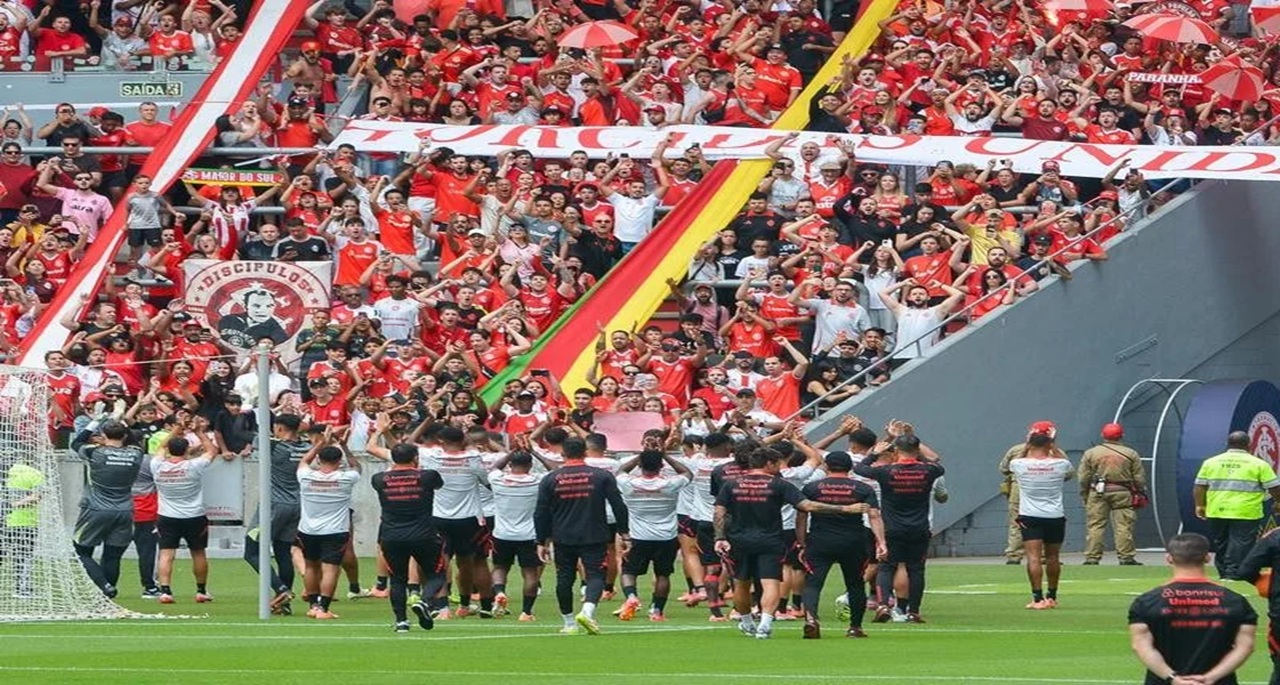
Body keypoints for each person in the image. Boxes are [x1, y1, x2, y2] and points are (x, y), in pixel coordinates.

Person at [713, 446, 869, 639]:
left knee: (741, 583)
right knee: (770, 582)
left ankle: (746, 622)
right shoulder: (779, 484)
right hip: (770, 539)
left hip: (739, 540)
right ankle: (765, 624)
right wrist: (845, 509)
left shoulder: (731, 484)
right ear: (769, 463)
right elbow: (807, 506)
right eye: (777, 463)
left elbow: (719, 512)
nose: (780, 467)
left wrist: (720, 537)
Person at [1129, 533, 1256, 685]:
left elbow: (1141, 646)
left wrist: (1173, 678)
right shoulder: (1235, 601)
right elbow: (1245, 646)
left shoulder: (1146, 602)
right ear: (1208, 558)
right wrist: (1211, 677)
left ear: (1169, 558)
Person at [534, 436, 630, 635]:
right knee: (595, 575)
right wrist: (624, 532)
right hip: (594, 534)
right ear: (585, 452)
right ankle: (587, 611)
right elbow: (619, 505)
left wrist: (541, 540)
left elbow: (541, 511)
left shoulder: (551, 478)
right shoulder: (601, 476)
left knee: (564, 577)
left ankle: (569, 623)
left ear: (563, 453)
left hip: (562, 535)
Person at [855, 432, 944, 623]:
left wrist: (875, 453)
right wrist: (913, 438)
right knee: (916, 569)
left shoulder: (886, 471)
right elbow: (936, 461)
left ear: (895, 451)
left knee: (887, 567)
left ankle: (883, 605)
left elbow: (860, 469)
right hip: (920, 527)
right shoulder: (928, 471)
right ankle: (914, 611)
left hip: (892, 527)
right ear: (917, 450)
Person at [797, 451, 885, 639]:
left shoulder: (812, 487)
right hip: (853, 541)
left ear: (827, 466)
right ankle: (855, 627)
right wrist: (882, 542)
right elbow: (875, 516)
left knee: (813, 583)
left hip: (820, 540)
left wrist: (802, 541)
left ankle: (811, 620)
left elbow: (802, 515)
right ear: (851, 467)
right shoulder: (862, 488)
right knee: (855, 584)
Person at [368, 441, 448, 634]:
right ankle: (425, 601)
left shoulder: (379, 478)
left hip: (391, 536)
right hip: (424, 535)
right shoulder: (427, 476)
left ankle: (401, 621)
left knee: (397, 579)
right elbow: (439, 484)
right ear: (415, 458)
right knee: (436, 574)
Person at [244, 414, 310, 615]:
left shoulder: (273, 446)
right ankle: (285, 604)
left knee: (252, 552)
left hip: (273, 506)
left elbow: (248, 435)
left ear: (280, 428)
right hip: (296, 505)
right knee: (283, 552)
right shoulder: (305, 448)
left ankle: (281, 589)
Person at [615, 449, 692, 622]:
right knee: (663, 575)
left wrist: (640, 455)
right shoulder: (670, 484)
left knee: (628, 571)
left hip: (638, 536)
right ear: (661, 466)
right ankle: (656, 610)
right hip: (666, 537)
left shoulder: (629, 483)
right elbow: (687, 473)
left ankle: (631, 596)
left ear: (640, 466)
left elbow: (620, 471)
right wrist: (664, 454)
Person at [72, 420, 145, 598]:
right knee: (113, 555)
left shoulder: (94, 452)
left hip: (96, 509)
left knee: (81, 551)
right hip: (125, 510)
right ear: (125, 435)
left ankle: (104, 585)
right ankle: (108, 592)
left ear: (103, 436)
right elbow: (134, 440)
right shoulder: (136, 453)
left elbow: (76, 442)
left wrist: (96, 420)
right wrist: (121, 418)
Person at [1194, 431, 1280, 580]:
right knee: (1241, 544)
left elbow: (1199, 486)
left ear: (1227, 444)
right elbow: (1274, 487)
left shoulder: (1211, 462)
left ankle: (1223, 572)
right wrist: (1278, 501)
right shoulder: (1258, 464)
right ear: (1249, 445)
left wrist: (1200, 505)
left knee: (1221, 543)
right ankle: (1233, 574)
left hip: (1216, 510)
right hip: (1245, 511)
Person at [487, 447, 557, 621]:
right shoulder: (537, 481)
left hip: (502, 533)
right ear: (530, 465)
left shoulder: (498, 480)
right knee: (530, 573)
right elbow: (555, 471)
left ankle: (500, 592)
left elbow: (495, 467)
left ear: (510, 464)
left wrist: (512, 451)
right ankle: (526, 611)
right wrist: (535, 452)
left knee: (500, 567)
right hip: (529, 535)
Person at [1007, 430, 1074, 609]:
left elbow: (1011, 464)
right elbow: (1069, 467)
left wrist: (1026, 448)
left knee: (1033, 557)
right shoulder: (1060, 464)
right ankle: (1052, 596)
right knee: (1053, 557)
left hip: (1030, 516)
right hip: (1055, 516)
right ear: (1049, 445)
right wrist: (1055, 447)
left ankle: (1037, 598)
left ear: (1029, 445)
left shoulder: (1019, 463)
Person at [296, 436, 361, 620]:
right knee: (330, 569)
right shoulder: (346, 478)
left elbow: (303, 461)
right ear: (339, 462)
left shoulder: (306, 476)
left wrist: (319, 443)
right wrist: (345, 446)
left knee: (310, 567)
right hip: (335, 531)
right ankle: (323, 609)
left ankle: (313, 606)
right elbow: (357, 467)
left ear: (319, 459)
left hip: (308, 530)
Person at [151, 433, 220, 604]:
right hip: (194, 516)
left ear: (169, 449)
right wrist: (198, 431)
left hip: (167, 516)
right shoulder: (193, 465)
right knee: (198, 553)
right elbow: (212, 450)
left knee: (166, 554)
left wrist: (175, 429)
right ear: (187, 449)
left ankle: (165, 591)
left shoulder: (158, 465)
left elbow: (160, 447)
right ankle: (201, 591)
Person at [1079, 423, 1147, 566]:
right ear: (1121, 436)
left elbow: (1083, 477)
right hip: (1123, 492)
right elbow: (1139, 477)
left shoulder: (1091, 453)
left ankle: (1092, 557)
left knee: (1095, 525)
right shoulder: (1131, 453)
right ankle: (1126, 557)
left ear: (1103, 436)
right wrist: (1141, 491)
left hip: (1097, 493)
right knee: (1123, 525)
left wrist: (1084, 493)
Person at [1, 455, 44, 598]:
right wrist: (13, 505)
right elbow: (36, 496)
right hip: (24, 521)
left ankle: (22, 588)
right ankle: (22, 589)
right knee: (23, 556)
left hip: (6, 520)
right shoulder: (33, 472)